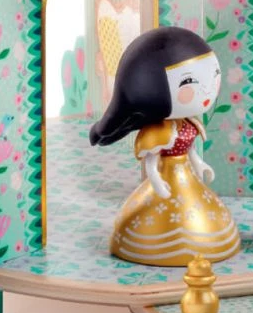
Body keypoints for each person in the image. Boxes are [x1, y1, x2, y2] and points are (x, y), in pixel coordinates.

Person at [90, 27, 241, 267]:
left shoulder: (190, 122)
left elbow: (191, 150)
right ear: (150, 86)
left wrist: (200, 164)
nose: (206, 90)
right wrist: (157, 181)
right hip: (164, 181)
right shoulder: (157, 132)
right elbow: (151, 162)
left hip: (186, 176)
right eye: (189, 82)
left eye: (214, 75)